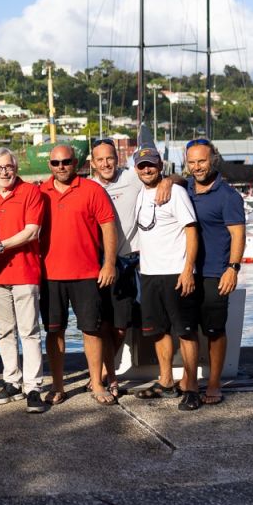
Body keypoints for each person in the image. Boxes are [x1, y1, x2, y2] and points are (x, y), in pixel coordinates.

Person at [88, 137, 177, 395]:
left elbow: (179, 180)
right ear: (92, 163)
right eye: (100, 160)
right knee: (107, 324)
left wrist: (169, 180)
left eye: (110, 158)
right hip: (104, 261)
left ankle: (161, 377)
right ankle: (103, 373)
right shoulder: (89, 186)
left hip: (135, 259)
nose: (106, 164)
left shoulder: (132, 177)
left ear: (117, 159)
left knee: (137, 322)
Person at [38, 144, 118, 406]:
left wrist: (109, 264)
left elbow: (108, 227)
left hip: (87, 274)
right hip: (50, 275)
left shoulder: (92, 190)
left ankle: (96, 382)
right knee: (54, 332)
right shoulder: (40, 193)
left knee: (91, 330)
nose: (61, 166)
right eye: (55, 162)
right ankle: (58, 385)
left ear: (76, 163)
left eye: (66, 161)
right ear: (49, 165)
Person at [0, 147, 46, 414]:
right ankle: (12, 381)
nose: (4, 172)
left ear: (16, 168)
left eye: (8, 167)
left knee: (29, 331)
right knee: (4, 332)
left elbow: (32, 232)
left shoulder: (31, 193)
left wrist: (0, 246)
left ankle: (33, 387)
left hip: (25, 272)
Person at [130, 147, 201, 411]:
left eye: (151, 165)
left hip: (176, 272)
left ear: (160, 165)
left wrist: (187, 270)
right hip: (149, 273)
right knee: (158, 331)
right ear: (136, 168)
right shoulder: (140, 193)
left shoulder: (176, 192)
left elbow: (191, 231)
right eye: (142, 166)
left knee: (185, 331)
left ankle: (191, 387)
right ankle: (166, 381)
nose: (147, 169)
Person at [185, 138, 247, 406]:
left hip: (215, 272)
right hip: (186, 272)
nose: (197, 167)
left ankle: (213, 382)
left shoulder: (228, 196)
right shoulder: (183, 188)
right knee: (186, 328)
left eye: (202, 161)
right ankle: (189, 381)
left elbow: (238, 235)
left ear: (213, 160)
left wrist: (232, 269)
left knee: (214, 330)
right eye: (192, 162)